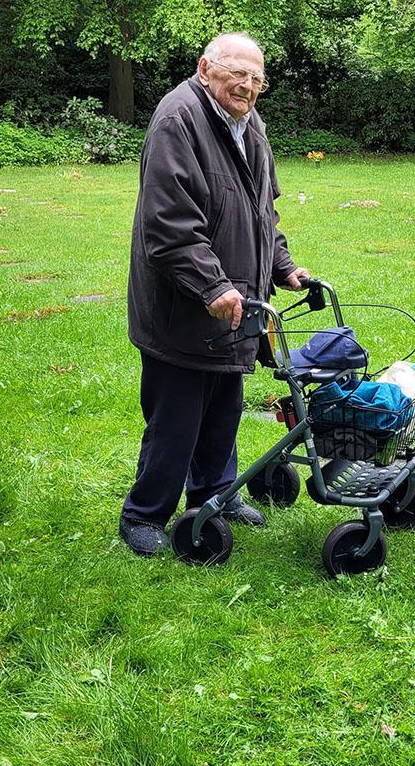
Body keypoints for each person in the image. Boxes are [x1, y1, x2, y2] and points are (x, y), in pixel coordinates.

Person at [121, 32, 310, 556]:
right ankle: (144, 514)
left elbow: (261, 211)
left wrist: (282, 266)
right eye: (237, 74)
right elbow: (170, 225)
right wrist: (212, 285)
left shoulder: (250, 126)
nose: (247, 86)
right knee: (177, 417)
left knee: (224, 405)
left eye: (257, 78)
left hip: (236, 304)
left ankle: (215, 496)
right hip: (184, 305)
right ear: (206, 69)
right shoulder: (178, 119)